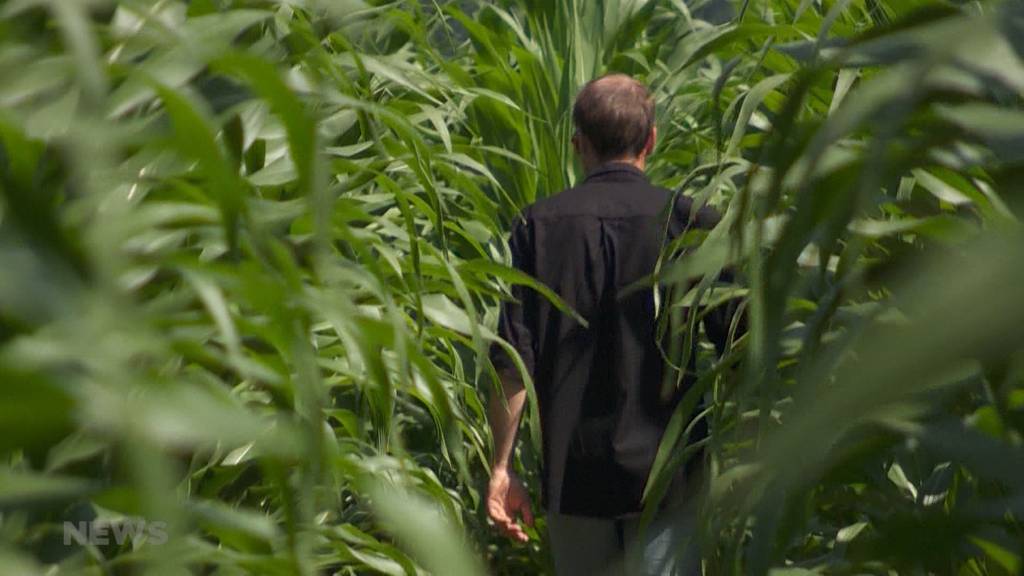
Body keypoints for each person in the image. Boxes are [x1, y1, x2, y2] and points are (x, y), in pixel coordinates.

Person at [486, 74, 735, 575]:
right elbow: (743, 341)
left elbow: (511, 361)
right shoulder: (692, 222)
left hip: (574, 479)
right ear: (651, 140)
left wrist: (501, 467)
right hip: (670, 475)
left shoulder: (537, 226)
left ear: (579, 145)